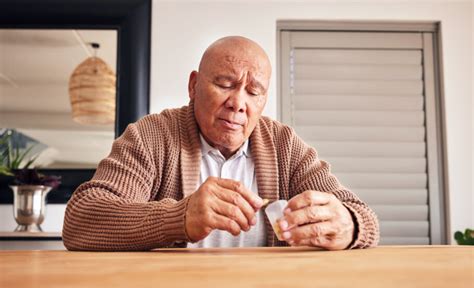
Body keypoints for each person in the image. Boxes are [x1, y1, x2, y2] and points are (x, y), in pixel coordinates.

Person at [62, 36, 379, 251]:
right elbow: (81, 221)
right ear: (194, 85)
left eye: (254, 92)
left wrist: (347, 225)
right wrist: (180, 218)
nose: (238, 103)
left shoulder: (284, 145)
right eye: (225, 84)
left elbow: (364, 219)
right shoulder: (152, 136)